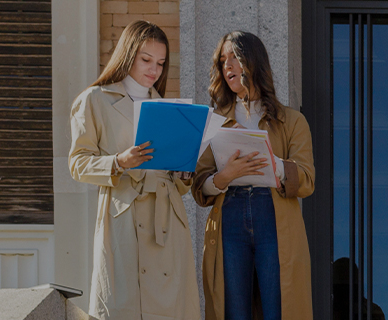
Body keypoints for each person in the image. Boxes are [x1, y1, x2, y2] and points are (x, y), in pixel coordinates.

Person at [68, 20, 201, 320]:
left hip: (167, 222)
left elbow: (173, 177)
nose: (154, 70)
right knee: (124, 305)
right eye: (146, 60)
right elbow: (77, 163)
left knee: (170, 308)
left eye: (161, 63)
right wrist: (118, 162)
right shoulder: (95, 100)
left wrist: (183, 174)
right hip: (125, 218)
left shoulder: (167, 107)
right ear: (127, 54)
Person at [191, 31, 315, 320]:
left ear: (254, 61)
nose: (228, 65)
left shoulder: (292, 120)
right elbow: (199, 185)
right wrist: (224, 176)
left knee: (279, 306)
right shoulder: (215, 120)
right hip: (228, 215)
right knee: (233, 309)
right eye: (223, 60)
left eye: (234, 56)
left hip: (273, 213)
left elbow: (307, 179)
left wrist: (274, 163)